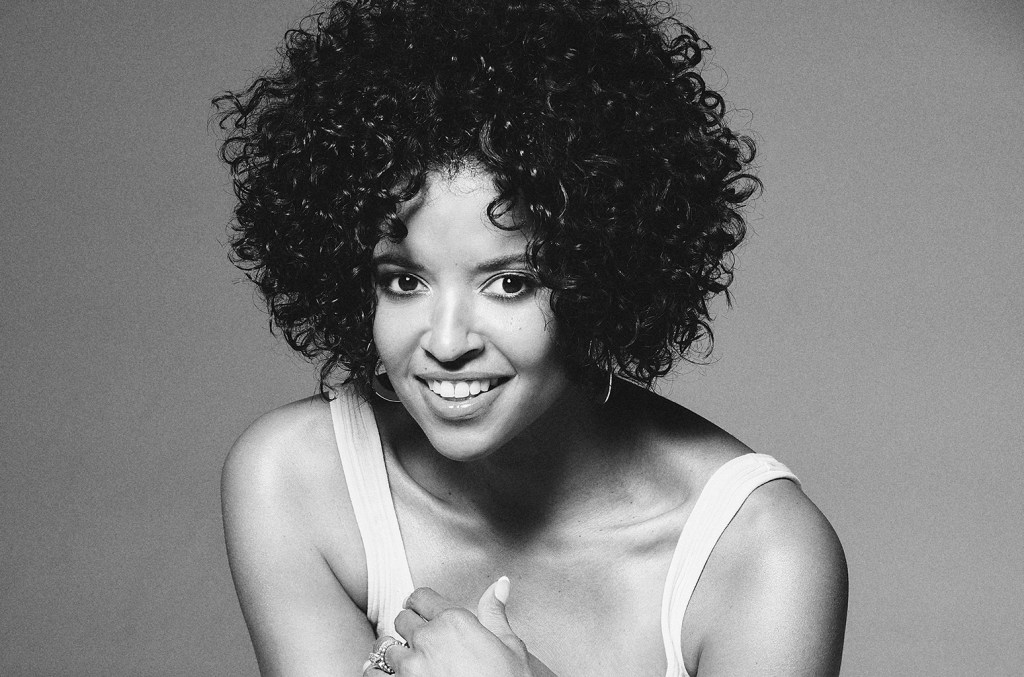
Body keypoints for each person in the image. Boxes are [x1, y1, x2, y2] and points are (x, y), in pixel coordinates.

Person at [214, 0, 848, 675]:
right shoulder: (298, 481)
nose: (446, 342)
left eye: (509, 283)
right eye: (404, 281)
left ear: (597, 275)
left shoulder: (760, 554)